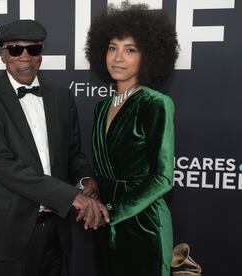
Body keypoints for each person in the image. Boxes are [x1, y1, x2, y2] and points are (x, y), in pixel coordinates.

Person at [0, 19, 109, 276]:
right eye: (15, 50)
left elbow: (73, 153)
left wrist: (87, 180)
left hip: (57, 230)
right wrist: (71, 197)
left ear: (40, 55)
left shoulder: (61, 96)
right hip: (9, 234)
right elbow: (3, 164)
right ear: (3, 56)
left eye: (33, 50)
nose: (25, 58)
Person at [85, 2, 179, 276]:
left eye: (130, 50)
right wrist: (94, 201)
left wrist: (111, 212)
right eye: (112, 47)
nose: (117, 58)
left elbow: (162, 178)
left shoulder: (156, 103)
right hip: (104, 224)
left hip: (144, 225)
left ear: (148, 56)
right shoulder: (102, 106)